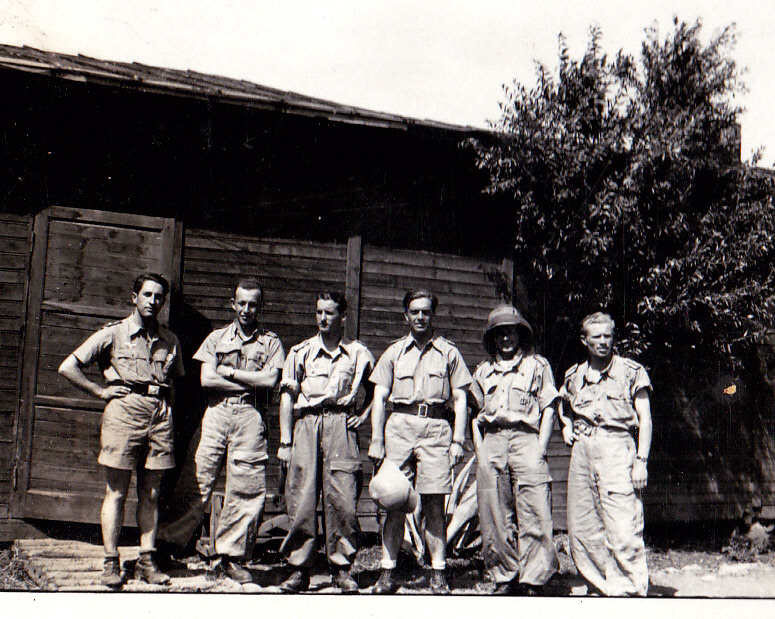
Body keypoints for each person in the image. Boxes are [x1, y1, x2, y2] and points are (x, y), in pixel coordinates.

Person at [58, 273, 184, 588]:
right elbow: (68, 366)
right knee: (116, 491)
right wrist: (99, 392)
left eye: (159, 297)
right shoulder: (114, 334)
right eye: (147, 295)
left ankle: (146, 559)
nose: (153, 302)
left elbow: (173, 384)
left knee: (151, 493)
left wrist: (168, 409)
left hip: (158, 419)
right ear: (134, 297)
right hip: (124, 415)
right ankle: (110, 561)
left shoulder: (170, 340)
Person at [157, 278, 284, 584]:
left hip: (251, 416)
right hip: (217, 412)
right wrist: (248, 379)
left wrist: (230, 372)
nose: (247, 309)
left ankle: (232, 556)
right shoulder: (215, 338)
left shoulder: (271, 342)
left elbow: (271, 382)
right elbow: (207, 381)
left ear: (260, 306)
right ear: (232, 304)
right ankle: (166, 546)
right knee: (197, 478)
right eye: (241, 303)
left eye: (253, 304)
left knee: (246, 486)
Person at [368, 289, 472, 594]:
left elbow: (461, 398)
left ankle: (438, 572)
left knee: (434, 504)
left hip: (437, 428)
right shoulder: (394, 352)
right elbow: (379, 397)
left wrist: (458, 440)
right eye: (414, 312)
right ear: (406, 316)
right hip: (399, 428)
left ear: (433, 315)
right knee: (394, 503)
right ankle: (388, 571)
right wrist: (376, 439)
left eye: (425, 311)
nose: (420, 317)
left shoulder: (449, 352)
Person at [277, 292, 375, 594]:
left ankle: (342, 568)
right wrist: (285, 440)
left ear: (342, 316)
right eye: (318, 312)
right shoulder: (300, 352)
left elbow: (377, 390)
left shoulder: (358, 353)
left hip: (340, 426)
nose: (322, 318)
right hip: (306, 423)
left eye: (329, 313)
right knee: (302, 497)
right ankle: (299, 569)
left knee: (343, 498)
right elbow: (287, 397)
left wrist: (364, 414)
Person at [558, 312, 652, 596]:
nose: (603, 342)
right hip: (583, 451)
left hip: (617, 448)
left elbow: (645, 419)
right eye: (596, 336)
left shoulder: (630, 371)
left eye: (607, 336)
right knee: (583, 525)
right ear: (584, 340)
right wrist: (566, 427)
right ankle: (601, 586)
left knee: (623, 524)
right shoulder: (574, 376)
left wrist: (641, 462)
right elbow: (564, 408)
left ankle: (632, 590)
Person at [469, 305, 559, 595]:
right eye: (500, 333)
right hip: (493, 441)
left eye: (511, 332)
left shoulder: (538, 366)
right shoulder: (483, 371)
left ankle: (534, 578)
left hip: (526, 440)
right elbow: (474, 415)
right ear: (492, 338)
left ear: (520, 334)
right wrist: (481, 453)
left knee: (535, 508)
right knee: (494, 512)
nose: (506, 338)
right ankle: (505, 575)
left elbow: (548, 408)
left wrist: (541, 448)